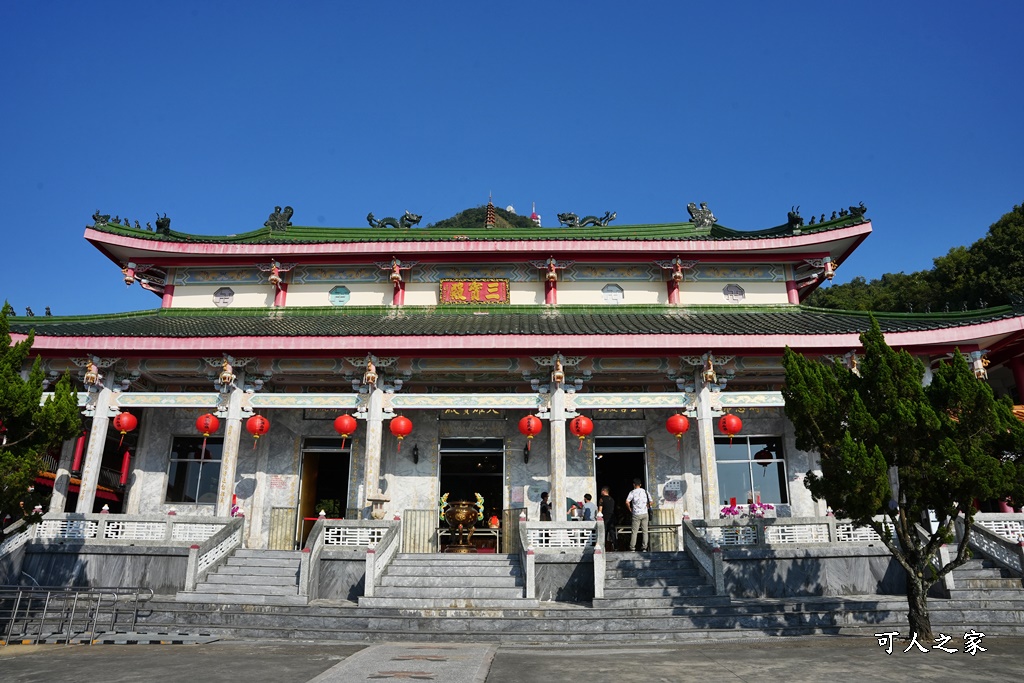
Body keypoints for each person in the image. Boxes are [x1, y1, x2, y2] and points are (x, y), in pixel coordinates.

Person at [625, 478, 651, 552]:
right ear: (640, 485)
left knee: (634, 532)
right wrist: (647, 506)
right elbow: (651, 501)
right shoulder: (645, 492)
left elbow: (627, 502)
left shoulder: (632, 492)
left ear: (633, 484)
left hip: (636, 514)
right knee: (645, 531)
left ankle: (632, 547)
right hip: (645, 513)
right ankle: (644, 547)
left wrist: (630, 509)